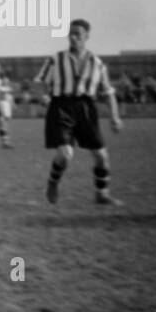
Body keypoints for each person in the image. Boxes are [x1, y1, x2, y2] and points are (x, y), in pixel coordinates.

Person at [35, 19, 122, 205]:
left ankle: (101, 194)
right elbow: (40, 80)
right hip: (61, 107)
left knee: (101, 156)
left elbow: (108, 93)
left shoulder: (97, 63)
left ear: (86, 37)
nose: (73, 38)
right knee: (65, 154)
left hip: (86, 108)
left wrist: (114, 116)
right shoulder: (55, 59)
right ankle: (53, 183)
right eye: (71, 34)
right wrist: (43, 95)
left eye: (78, 34)